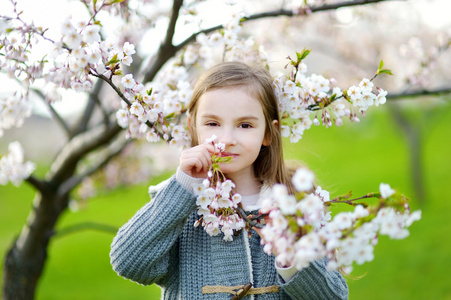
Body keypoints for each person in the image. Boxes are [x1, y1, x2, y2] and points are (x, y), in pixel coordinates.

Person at [110, 62, 349, 299]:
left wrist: (294, 260)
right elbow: (128, 262)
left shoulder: (295, 206)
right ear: (194, 128)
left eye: (245, 125)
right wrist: (183, 187)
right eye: (212, 123)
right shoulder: (177, 204)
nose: (227, 139)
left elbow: (335, 296)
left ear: (268, 132)